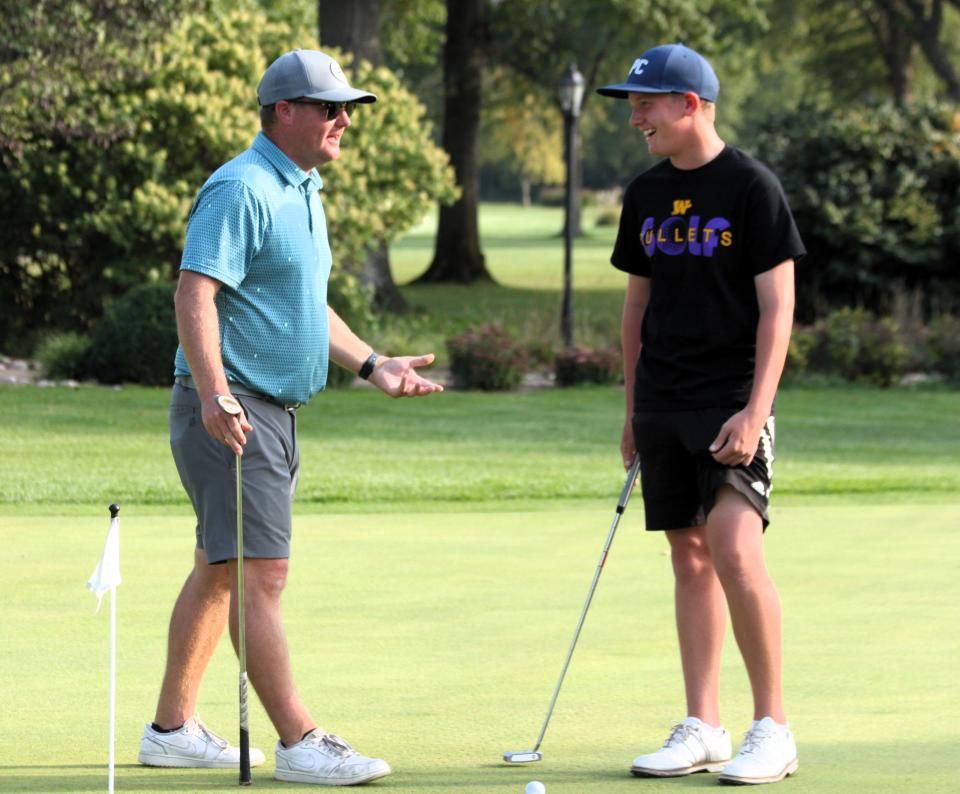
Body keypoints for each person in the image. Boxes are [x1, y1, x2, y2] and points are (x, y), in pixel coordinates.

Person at [137, 49, 443, 787]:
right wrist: (215, 394)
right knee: (259, 576)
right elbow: (193, 294)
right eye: (330, 107)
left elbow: (304, 306)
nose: (344, 120)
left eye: (347, 109)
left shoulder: (303, 188)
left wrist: (374, 365)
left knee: (222, 569)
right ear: (284, 111)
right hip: (234, 408)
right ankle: (301, 741)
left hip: (265, 409)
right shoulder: (241, 187)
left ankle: (171, 729)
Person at [597, 44, 805, 785]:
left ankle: (773, 728)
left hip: (731, 399)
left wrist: (757, 410)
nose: (636, 116)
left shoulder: (752, 187)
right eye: (632, 104)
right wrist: (630, 410)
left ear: (691, 104)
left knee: (733, 547)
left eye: (647, 103)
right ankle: (703, 726)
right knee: (688, 556)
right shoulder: (646, 194)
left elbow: (778, 310)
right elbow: (636, 306)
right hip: (663, 400)